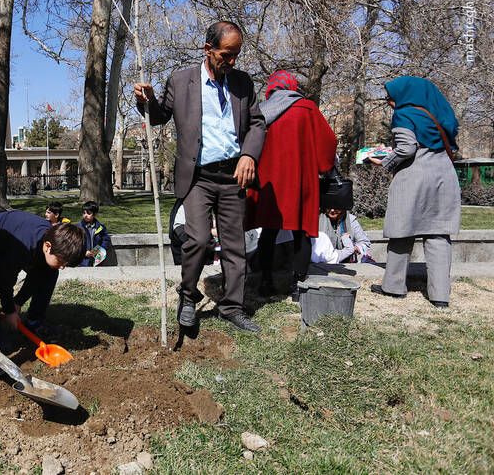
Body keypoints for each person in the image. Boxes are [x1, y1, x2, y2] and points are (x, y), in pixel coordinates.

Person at [134, 21, 266, 332]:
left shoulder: (243, 82)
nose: (231, 61)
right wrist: (146, 101)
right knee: (198, 239)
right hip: (198, 177)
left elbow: (257, 123)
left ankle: (232, 308)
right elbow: (159, 116)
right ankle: (188, 296)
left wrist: (249, 155)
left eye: (236, 55)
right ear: (208, 49)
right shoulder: (181, 81)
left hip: (234, 175)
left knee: (235, 245)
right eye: (226, 54)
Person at [368, 76, 460, 308]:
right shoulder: (442, 112)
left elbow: (407, 148)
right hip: (444, 176)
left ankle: (393, 287)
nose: (389, 101)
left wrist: (384, 161)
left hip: (415, 176)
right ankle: (440, 296)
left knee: (401, 232)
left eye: (390, 97)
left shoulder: (404, 114)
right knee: (438, 235)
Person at [246, 70, 337, 297]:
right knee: (301, 232)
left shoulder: (262, 110)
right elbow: (329, 141)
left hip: (270, 182)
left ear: (272, 88)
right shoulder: (307, 108)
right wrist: (323, 166)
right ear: (292, 86)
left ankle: (265, 282)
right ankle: (297, 285)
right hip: (300, 179)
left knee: (269, 230)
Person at [0, 211, 86, 346]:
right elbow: (6, 280)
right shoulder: (23, 247)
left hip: (17, 237)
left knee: (50, 272)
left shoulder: (52, 241)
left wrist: (18, 302)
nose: (63, 267)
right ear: (48, 247)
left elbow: (37, 275)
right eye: (62, 262)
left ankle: (35, 321)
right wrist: (9, 310)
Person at [77, 201, 111, 267]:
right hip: (82, 260)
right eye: (84, 213)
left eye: (89, 213)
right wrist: (83, 252)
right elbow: (75, 243)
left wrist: (99, 250)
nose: (85, 215)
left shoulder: (101, 228)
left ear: (95, 214)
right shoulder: (78, 228)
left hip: (97, 259)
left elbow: (105, 240)